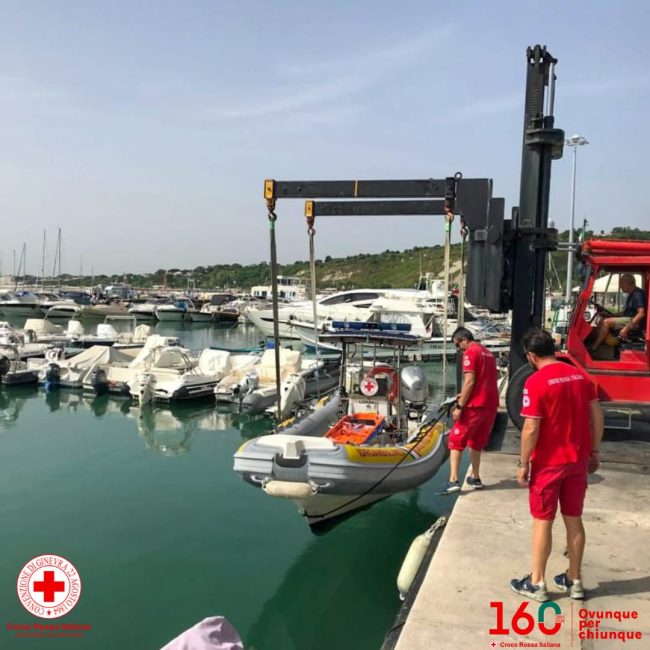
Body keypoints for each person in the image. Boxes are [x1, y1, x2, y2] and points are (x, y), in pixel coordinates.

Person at [511, 328, 604, 602]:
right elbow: (597, 416)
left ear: (531, 356)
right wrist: (594, 451)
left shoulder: (536, 382)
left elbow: (531, 427)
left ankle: (537, 583)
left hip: (549, 464)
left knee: (543, 522)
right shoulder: (581, 377)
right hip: (577, 460)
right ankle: (574, 580)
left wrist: (523, 463)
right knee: (574, 519)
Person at [439, 327, 499, 494]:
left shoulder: (470, 353)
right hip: (490, 405)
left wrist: (459, 406)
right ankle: (475, 477)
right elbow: (488, 378)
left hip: (474, 406)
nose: (459, 349)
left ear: (464, 340)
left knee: (455, 440)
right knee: (477, 442)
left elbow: (470, 381)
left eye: (458, 345)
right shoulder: (488, 353)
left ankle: (453, 480)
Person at [591, 273, 646, 350]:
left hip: (634, 322)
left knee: (606, 322)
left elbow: (641, 314)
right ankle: (602, 344)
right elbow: (625, 313)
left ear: (628, 283)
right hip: (629, 318)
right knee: (602, 320)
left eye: (621, 284)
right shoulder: (632, 294)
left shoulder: (638, 294)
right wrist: (610, 315)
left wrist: (627, 327)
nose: (620, 286)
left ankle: (594, 347)